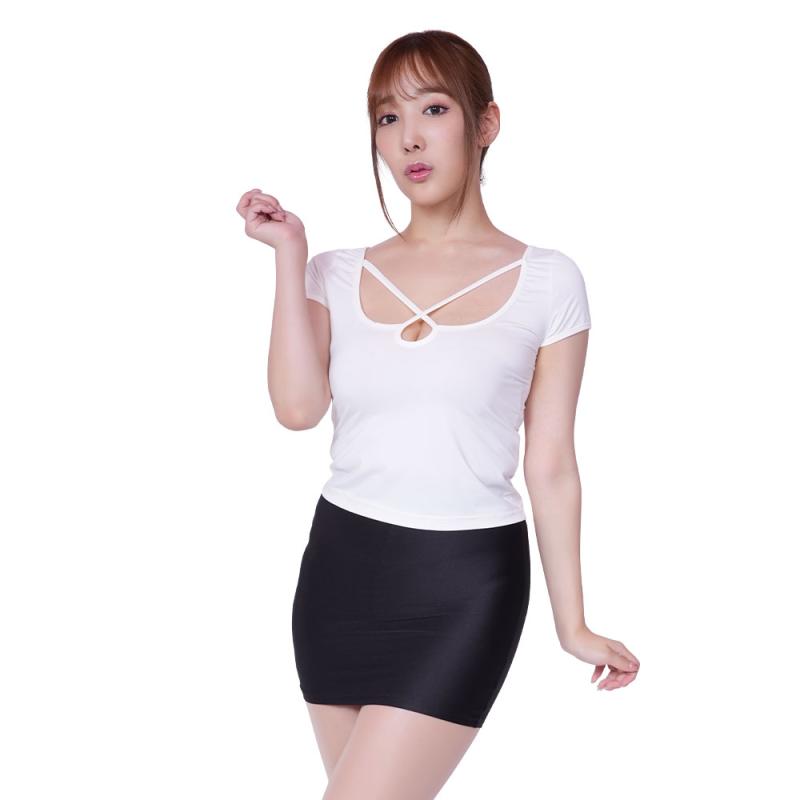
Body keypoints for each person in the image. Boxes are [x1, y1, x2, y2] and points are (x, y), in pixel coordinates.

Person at [236, 28, 639, 800]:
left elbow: (551, 463)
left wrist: (573, 624)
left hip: (464, 586)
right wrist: (289, 255)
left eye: (433, 109)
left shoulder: (548, 282)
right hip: (339, 573)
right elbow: (297, 409)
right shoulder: (334, 272)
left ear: (485, 124)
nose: (409, 138)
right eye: (388, 118)